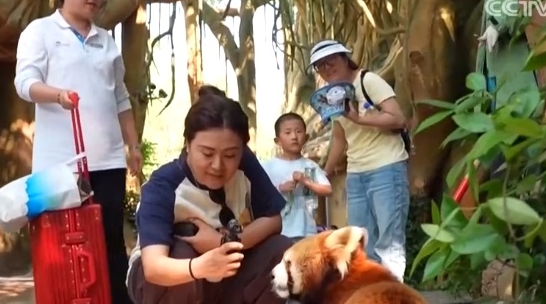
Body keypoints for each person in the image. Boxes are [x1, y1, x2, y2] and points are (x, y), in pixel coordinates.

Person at [13, 0, 139, 304]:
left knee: (111, 238)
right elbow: (25, 84)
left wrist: (132, 145)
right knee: (62, 241)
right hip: (59, 165)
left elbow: (120, 97)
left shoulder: (106, 40)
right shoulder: (40, 32)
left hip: (108, 160)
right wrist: (58, 95)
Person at [127, 90, 292, 304]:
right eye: (207, 153)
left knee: (280, 251)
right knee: (179, 254)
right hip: (173, 277)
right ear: (188, 144)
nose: (218, 165)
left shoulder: (246, 166)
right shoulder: (163, 185)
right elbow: (154, 267)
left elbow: (273, 220)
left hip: (227, 276)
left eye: (231, 155)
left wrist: (225, 241)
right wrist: (201, 266)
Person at [313, 40, 410, 281]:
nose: (326, 68)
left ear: (345, 58)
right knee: (360, 243)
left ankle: (390, 296)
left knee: (389, 243)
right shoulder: (332, 96)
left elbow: (398, 118)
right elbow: (339, 139)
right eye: (320, 66)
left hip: (387, 168)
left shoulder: (368, 81)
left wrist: (361, 119)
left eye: (331, 61)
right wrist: (324, 172)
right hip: (356, 174)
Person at [261, 113, 331, 241]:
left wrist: (307, 182)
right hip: (279, 231)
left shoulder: (310, 165)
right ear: (278, 141)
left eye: (298, 132)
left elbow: (327, 190)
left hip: (307, 230)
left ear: (306, 137)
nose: (294, 137)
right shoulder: (268, 166)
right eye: (288, 133)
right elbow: (258, 195)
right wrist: (280, 188)